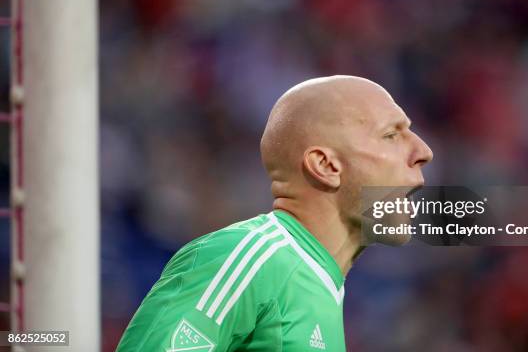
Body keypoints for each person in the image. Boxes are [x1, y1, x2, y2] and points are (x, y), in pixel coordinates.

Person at [116, 75, 433, 351]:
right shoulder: (248, 258)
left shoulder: (319, 285)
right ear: (325, 166)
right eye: (392, 135)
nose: (424, 152)